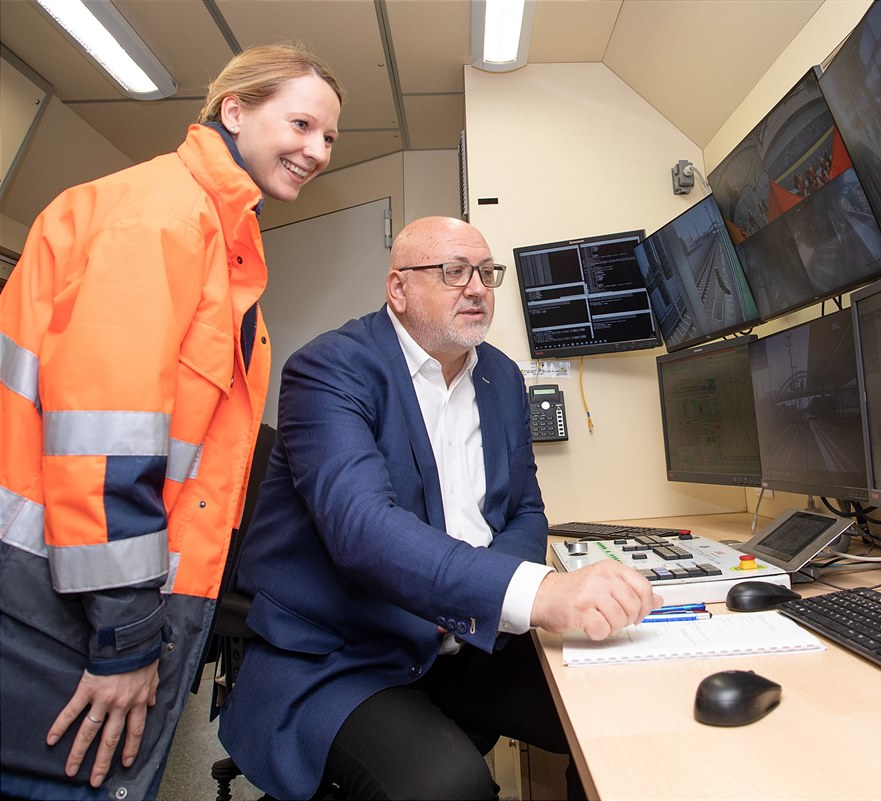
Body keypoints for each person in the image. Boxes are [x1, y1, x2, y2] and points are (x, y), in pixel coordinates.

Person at [0, 44, 343, 800]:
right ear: (234, 111)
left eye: (330, 138)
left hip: (102, 599)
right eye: (301, 123)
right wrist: (124, 640)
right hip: (60, 607)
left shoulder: (224, 243)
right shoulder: (162, 220)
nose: (317, 150)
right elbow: (104, 448)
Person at [217, 216, 660, 800]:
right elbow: (362, 530)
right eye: (453, 272)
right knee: (449, 787)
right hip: (344, 655)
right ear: (397, 289)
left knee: (622, 711)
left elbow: (525, 510)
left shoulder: (501, 377)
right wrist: (539, 594)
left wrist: (486, 603)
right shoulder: (328, 369)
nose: (477, 287)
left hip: (465, 640)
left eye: (486, 272)